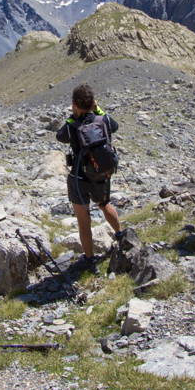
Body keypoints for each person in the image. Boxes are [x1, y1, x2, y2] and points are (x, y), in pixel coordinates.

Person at [56, 83, 123, 274]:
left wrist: (72, 116)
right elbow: (115, 126)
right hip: (101, 176)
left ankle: (90, 260)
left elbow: (60, 136)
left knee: (83, 221)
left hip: (79, 179)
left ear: (74, 104)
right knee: (104, 204)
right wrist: (98, 110)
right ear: (93, 102)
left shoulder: (72, 127)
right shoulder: (104, 120)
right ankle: (120, 236)